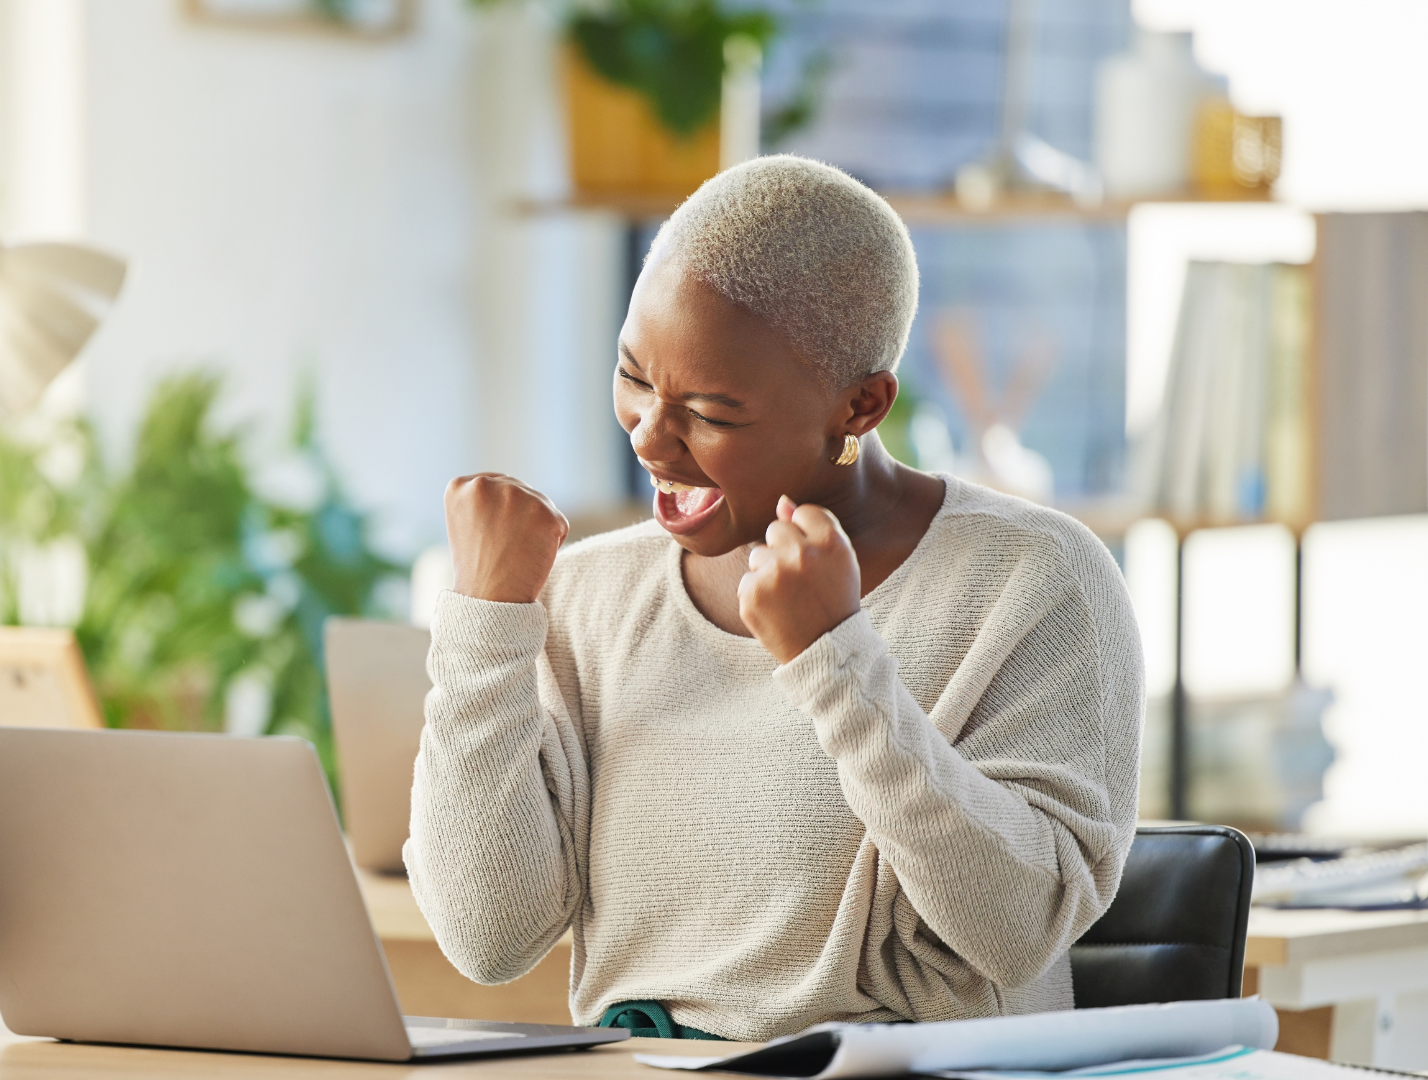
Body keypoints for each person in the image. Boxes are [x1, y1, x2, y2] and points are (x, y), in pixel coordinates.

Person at [406, 155, 1143, 1041]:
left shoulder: (1033, 579)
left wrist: (836, 659)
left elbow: (1016, 930)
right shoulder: (592, 591)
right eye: (634, 377)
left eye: (712, 413)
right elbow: (489, 940)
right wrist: (487, 627)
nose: (649, 438)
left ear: (860, 406)